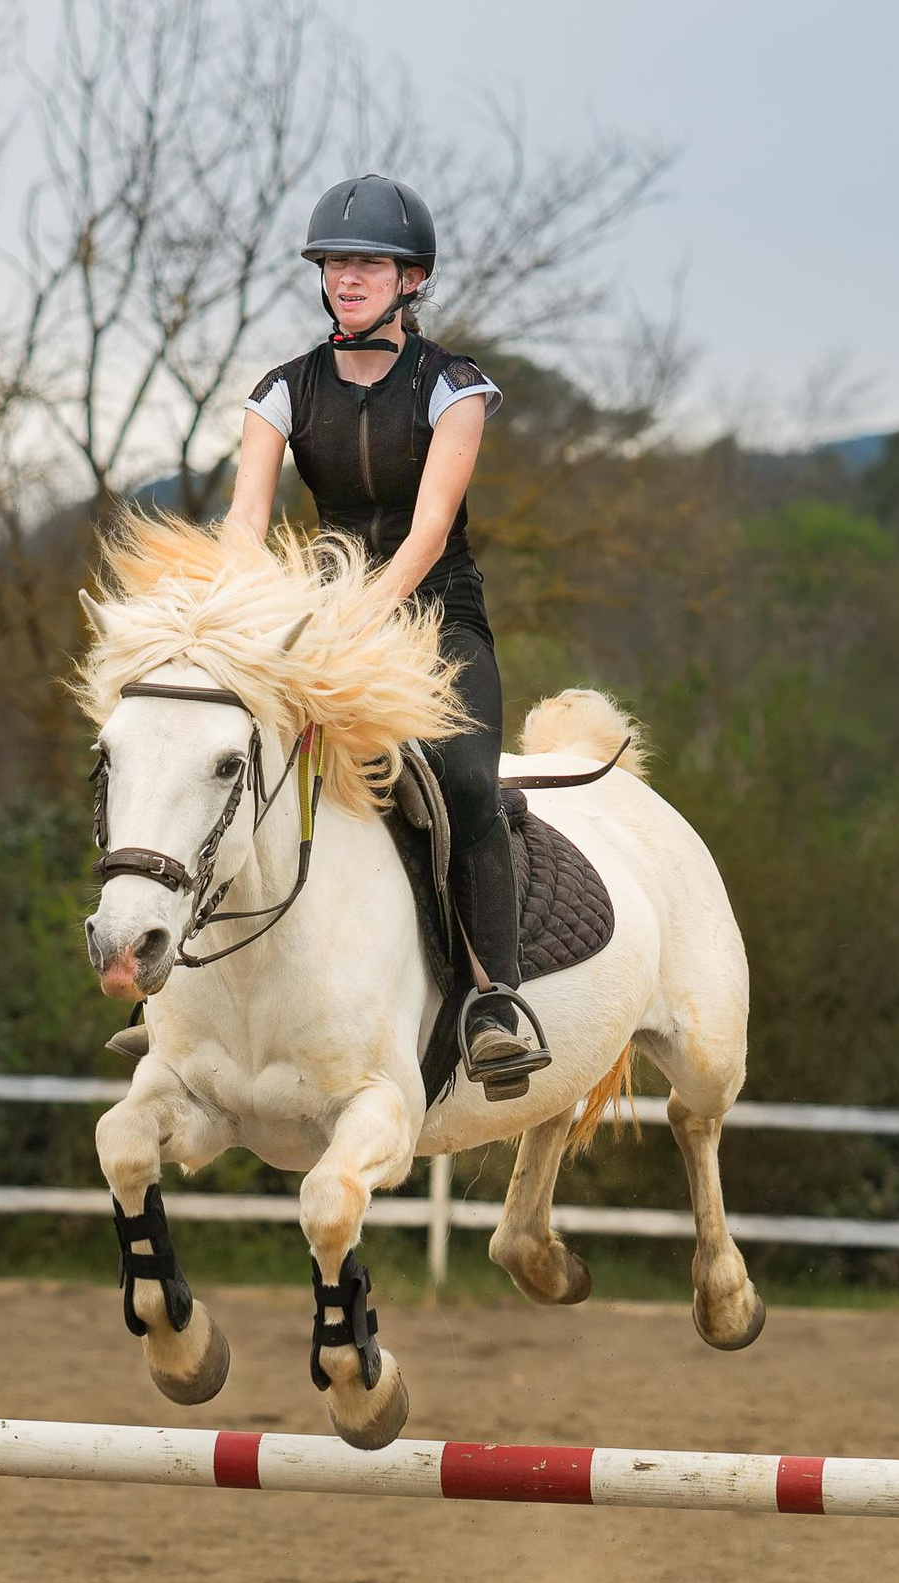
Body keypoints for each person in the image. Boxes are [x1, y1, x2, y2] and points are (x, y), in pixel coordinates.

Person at [221, 173, 550, 1099]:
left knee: (468, 780)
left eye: (369, 263)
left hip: (435, 624)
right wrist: (241, 606)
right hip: (320, 622)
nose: (348, 278)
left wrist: (361, 614)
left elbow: (429, 532)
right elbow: (248, 515)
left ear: (413, 279)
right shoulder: (281, 390)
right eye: (335, 263)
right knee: (224, 757)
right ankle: (183, 996)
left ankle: (496, 1002)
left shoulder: (454, 388)